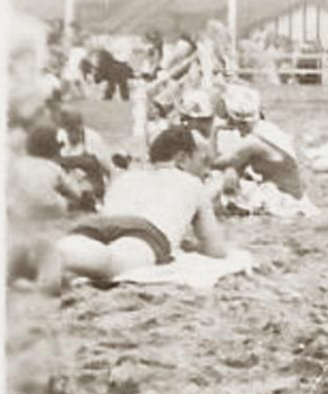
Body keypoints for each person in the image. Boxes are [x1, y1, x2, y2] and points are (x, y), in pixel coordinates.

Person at [42, 126, 228, 289]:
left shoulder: (127, 177)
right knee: (111, 262)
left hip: (98, 224)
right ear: (182, 158)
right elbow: (216, 250)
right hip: (145, 233)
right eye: (202, 161)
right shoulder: (192, 183)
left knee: (77, 247)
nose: (206, 170)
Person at [213, 83, 305, 198]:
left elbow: (215, 164)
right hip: (289, 193)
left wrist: (214, 130)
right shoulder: (267, 129)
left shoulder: (253, 142)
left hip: (284, 199)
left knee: (221, 179)